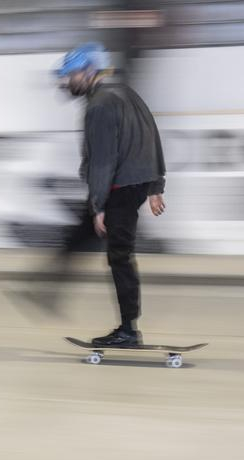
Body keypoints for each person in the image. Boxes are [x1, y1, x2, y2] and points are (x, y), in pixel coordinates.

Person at [55, 42, 167, 346]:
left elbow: (102, 160)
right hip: (134, 186)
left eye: (71, 75)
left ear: (90, 71)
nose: (66, 81)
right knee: (122, 256)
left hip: (118, 190)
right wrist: (156, 185)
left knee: (119, 257)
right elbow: (152, 136)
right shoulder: (127, 93)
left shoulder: (99, 105)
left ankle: (128, 330)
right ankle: (129, 326)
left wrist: (98, 205)